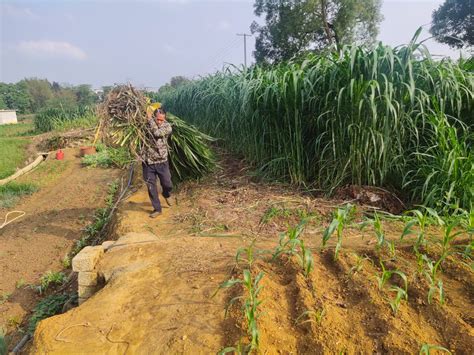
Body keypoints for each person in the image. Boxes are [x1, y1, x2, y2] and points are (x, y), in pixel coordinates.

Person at [141, 107, 173, 218]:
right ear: (154, 117)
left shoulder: (167, 127)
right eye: (157, 119)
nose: (159, 122)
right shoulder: (146, 126)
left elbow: (157, 133)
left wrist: (150, 120)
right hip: (148, 162)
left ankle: (166, 193)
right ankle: (157, 209)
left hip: (161, 161)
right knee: (151, 187)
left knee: (167, 183)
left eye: (161, 120)